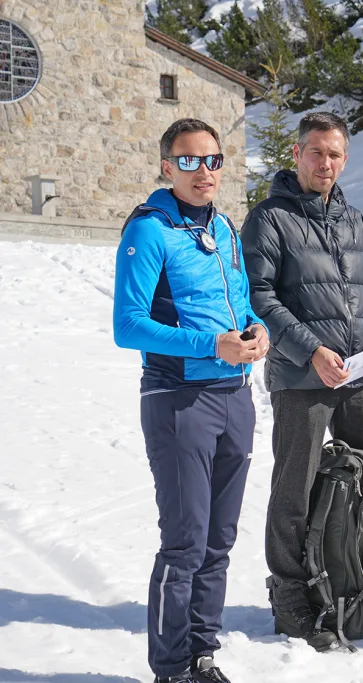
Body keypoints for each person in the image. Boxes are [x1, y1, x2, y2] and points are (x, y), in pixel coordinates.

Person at [242, 112, 363, 652]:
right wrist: (310, 350)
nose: (325, 163)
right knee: (295, 488)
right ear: (296, 155)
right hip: (301, 378)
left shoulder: (355, 220)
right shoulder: (269, 219)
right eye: (316, 152)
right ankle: (292, 598)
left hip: (359, 378)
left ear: (345, 158)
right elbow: (259, 296)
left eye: (335, 154)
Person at [113, 118, 268, 683]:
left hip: (235, 396)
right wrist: (212, 344)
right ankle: (171, 668)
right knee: (185, 542)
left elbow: (240, 302)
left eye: (213, 160)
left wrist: (255, 330)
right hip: (178, 399)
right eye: (189, 160)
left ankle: (202, 656)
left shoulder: (225, 227)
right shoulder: (150, 229)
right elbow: (127, 326)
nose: (204, 172)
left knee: (220, 541)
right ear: (166, 166)